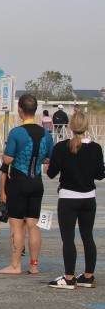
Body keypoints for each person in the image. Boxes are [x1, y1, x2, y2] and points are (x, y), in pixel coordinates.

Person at [0, 94, 55, 275]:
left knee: (16, 224)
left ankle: (15, 265)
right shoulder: (46, 134)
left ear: (20, 110)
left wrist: (6, 154)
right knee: (33, 224)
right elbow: (49, 158)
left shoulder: (16, 132)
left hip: (19, 182)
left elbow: (8, 159)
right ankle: (34, 265)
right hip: (36, 181)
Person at [45, 112, 103, 289]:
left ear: (70, 126)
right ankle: (88, 276)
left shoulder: (61, 147)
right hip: (88, 197)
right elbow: (100, 174)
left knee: (68, 239)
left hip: (68, 197)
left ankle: (69, 278)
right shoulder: (96, 148)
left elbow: (51, 173)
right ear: (86, 126)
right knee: (87, 236)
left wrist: (48, 166)